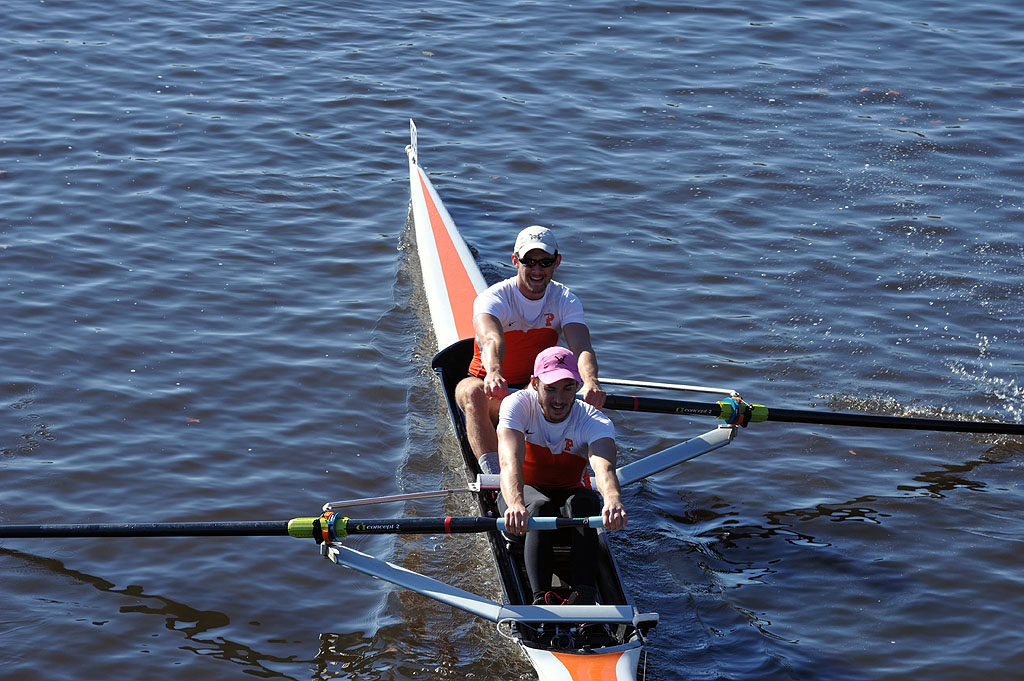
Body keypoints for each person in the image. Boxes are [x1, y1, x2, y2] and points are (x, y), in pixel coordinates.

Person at [455, 225, 605, 475]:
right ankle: (493, 478)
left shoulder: (565, 299)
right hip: (489, 387)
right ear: (515, 261)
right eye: (529, 261)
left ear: (557, 262)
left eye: (545, 262)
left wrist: (591, 381)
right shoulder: (494, 298)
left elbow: (581, 347)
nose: (537, 270)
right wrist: (493, 372)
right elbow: (492, 339)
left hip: (532, 387)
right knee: (472, 393)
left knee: (553, 396)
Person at [497, 346, 626, 605]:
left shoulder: (594, 421)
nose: (560, 399)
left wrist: (612, 500)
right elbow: (509, 463)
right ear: (535, 384)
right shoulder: (516, 406)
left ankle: (584, 597)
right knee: (541, 507)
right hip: (526, 493)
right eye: (551, 388)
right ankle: (540, 599)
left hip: (569, 495)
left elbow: (604, 469)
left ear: (578, 385)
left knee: (586, 503)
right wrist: (515, 504)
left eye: (568, 388)